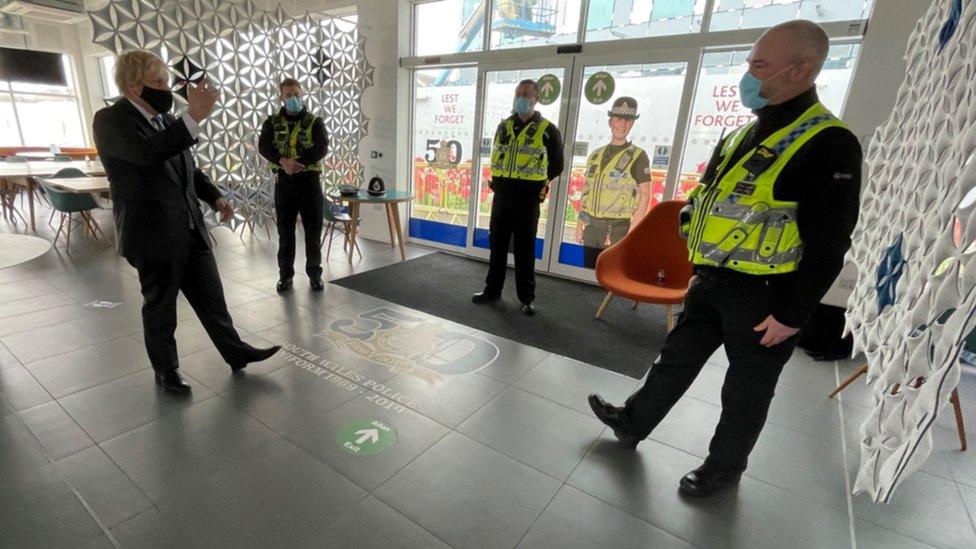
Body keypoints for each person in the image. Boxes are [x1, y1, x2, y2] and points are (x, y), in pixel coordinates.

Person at [588, 20, 862, 496]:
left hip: (768, 297)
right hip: (712, 281)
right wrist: (697, 270)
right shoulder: (741, 136)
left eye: (760, 65)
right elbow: (709, 206)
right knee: (674, 360)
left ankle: (724, 467)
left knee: (745, 390)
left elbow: (831, 243)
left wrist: (792, 315)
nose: (748, 74)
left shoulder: (828, 143)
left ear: (801, 69)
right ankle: (632, 422)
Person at [93, 50, 280, 393]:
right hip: (152, 235)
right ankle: (166, 370)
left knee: (212, 298)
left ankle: (236, 353)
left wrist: (215, 196)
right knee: (161, 306)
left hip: (190, 228)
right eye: (159, 82)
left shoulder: (165, 123)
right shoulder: (110, 120)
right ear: (134, 88)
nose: (166, 89)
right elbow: (147, 155)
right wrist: (192, 116)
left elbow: (187, 168)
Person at [471, 79, 563, 316]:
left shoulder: (548, 130)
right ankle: (492, 291)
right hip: (501, 197)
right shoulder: (504, 126)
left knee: (524, 249)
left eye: (527, 94)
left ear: (536, 99)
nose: (522, 98)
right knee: (497, 246)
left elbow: (557, 165)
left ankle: (526, 297)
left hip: (527, 200)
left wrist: (537, 184)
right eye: (519, 93)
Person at [258, 77, 329, 293]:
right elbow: (264, 147)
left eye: (296, 94)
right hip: (284, 185)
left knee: (313, 231)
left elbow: (321, 148)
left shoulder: (315, 121)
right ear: (281, 96)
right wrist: (283, 162)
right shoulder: (271, 122)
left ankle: (315, 275)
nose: (293, 99)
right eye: (288, 95)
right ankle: (285, 277)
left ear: (302, 94)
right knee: (285, 233)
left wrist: (298, 163)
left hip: (309, 183)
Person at [575, 96, 651, 268]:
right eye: (618, 118)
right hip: (591, 228)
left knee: (610, 278)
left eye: (628, 120)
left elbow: (645, 197)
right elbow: (586, 192)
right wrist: (580, 224)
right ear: (610, 121)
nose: (622, 124)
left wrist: (631, 233)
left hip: (617, 231)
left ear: (632, 124)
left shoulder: (638, 156)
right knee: (587, 276)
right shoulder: (595, 155)